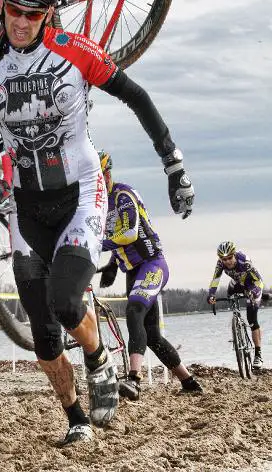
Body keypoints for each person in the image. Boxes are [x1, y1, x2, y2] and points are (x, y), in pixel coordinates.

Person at [0, 0, 195, 444]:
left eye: (34, 12)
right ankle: (75, 418)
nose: (21, 22)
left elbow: (137, 96)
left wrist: (173, 163)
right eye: (13, 11)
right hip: (24, 206)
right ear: (2, 6)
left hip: (80, 194)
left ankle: (98, 358)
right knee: (45, 340)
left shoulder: (73, 50)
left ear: (49, 13)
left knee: (67, 303)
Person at [97, 150, 203, 400]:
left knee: (134, 311)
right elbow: (117, 237)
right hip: (132, 271)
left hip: (152, 264)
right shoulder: (98, 205)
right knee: (152, 335)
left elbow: (130, 233)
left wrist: (97, 245)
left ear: (107, 173)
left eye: (99, 177)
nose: (96, 184)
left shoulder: (123, 195)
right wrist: (113, 264)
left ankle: (134, 379)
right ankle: (189, 382)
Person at [207, 241, 265, 369]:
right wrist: (211, 295)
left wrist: (254, 292)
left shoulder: (244, 261)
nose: (227, 261)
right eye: (224, 259)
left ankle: (258, 354)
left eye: (229, 258)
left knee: (252, 320)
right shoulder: (220, 264)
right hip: (237, 283)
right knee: (230, 292)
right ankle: (237, 323)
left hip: (252, 285)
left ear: (234, 255)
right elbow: (215, 280)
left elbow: (259, 280)